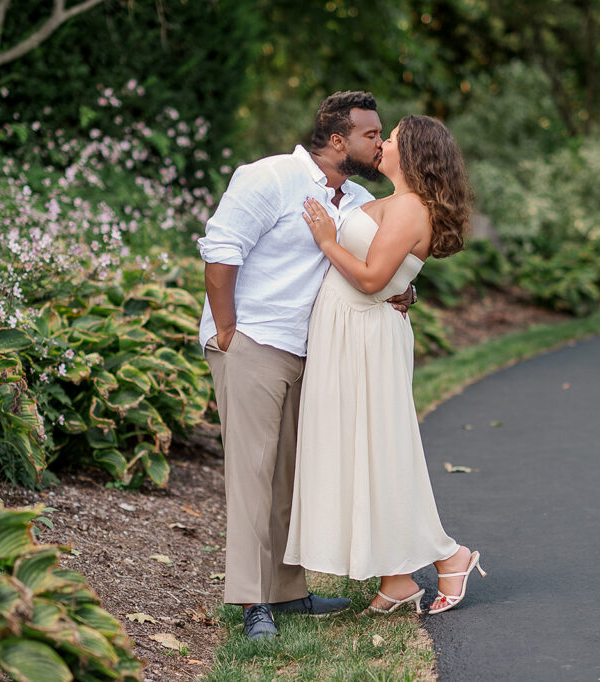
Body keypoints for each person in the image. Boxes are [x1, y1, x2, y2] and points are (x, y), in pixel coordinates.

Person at [197, 91, 413, 639]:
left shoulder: (359, 196)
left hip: (315, 350)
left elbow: (377, 262)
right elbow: (220, 252)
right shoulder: (268, 178)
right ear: (338, 140)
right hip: (254, 342)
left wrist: (405, 292)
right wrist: (227, 333)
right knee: (252, 475)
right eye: (372, 134)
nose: (380, 142)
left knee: (291, 475)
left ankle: (287, 593)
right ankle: (251, 603)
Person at [284, 115, 487, 616]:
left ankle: (449, 554)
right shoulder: (392, 203)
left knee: (381, 449)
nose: (383, 144)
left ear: (412, 152)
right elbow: (393, 273)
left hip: (366, 334)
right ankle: (396, 579)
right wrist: (404, 286)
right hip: (349, 332)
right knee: (363, 451)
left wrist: (328, 240)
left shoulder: (412, 208)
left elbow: (374, 279)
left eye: (391, 138)